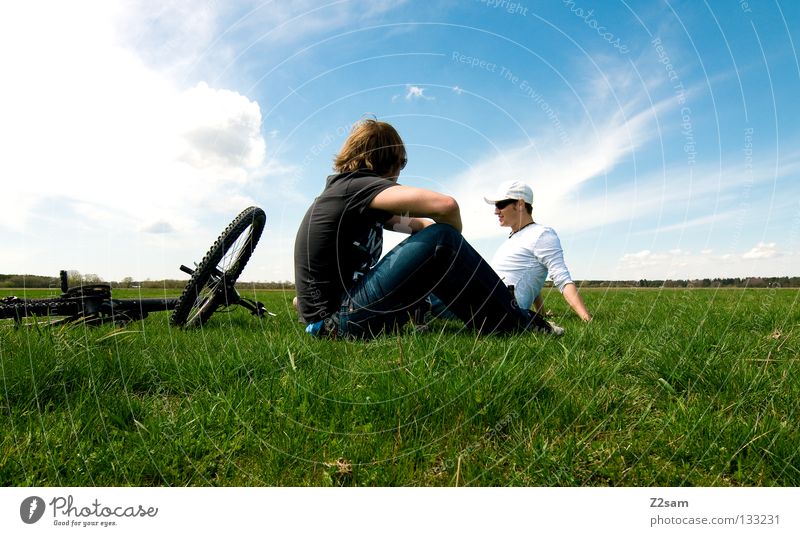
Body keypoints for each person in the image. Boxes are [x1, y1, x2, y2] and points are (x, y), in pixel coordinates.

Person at [293, 119, 558, 338]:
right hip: (337, 322)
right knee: (444, 239)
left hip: (341, 315)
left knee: (437, 242)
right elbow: (446, 207)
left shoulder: (357, 203)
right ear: (386, 160)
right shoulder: (355, 186)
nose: (399, 174)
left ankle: (502, 313)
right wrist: (452, 247)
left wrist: (448, 260)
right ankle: (519, 324)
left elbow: (422, 226)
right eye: (400, 164)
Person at [483, 180, 591, 322]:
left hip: (500, 308)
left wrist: (586, 319)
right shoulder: (514, 237)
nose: (496, 211)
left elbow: (562, 278)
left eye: (501, 204)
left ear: (520, 204)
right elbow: (531, 276)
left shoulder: (541, 235)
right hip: (486, 299)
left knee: (449, 235)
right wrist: (541, 312)